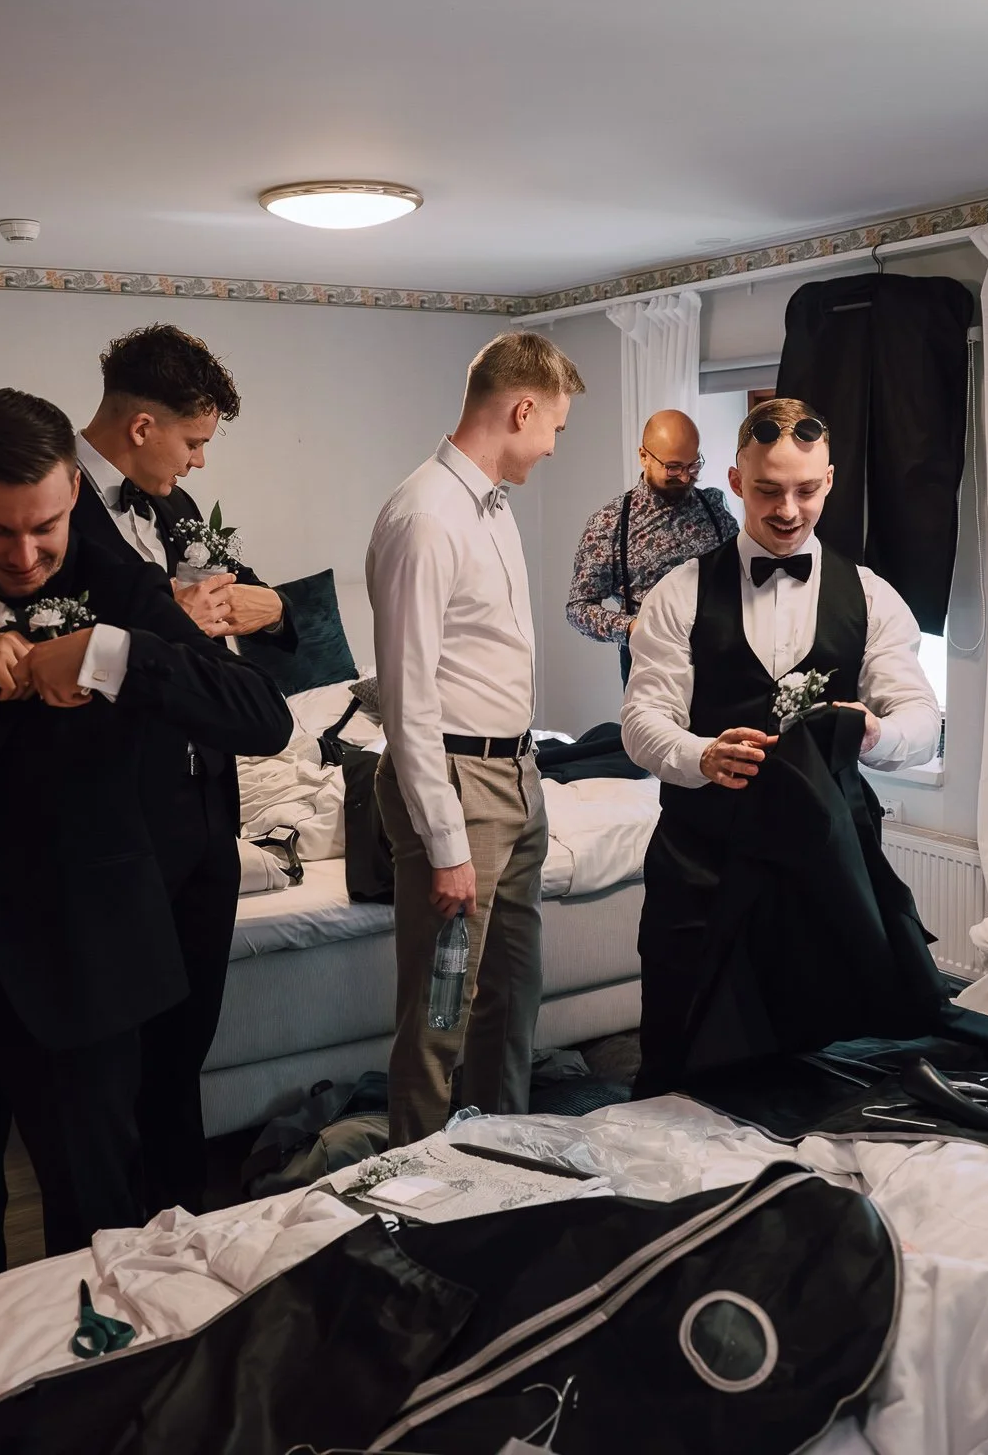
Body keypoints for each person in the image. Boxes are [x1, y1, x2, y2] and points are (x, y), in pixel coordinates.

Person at [0, 389, 290, 1319]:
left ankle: (96, 1392)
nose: (24, 556)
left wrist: (111, 656)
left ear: (70, 493)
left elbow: (262, 718)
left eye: (46, 527)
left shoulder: (123, 593)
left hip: (82, 967)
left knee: (98, 1228)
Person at [620, 397, 943, 1095]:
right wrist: (701, 755)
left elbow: (923, 721)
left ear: (829, 482)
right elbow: (642, 722)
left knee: (818, 1072)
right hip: (701, 860)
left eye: (805, 490)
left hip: (823, 861)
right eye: (768, 490)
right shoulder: (678, 594)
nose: (788, 510)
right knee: (677, 1053)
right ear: (736, 482)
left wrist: (878, 731)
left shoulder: (872, 596)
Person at [69, 323, 296, 1212]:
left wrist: (273, 607)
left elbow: (256, 599)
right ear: (142, 427)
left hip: (208, 814)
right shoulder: (53, 506)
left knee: (186, 1041)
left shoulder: (176, 507)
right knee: (120, 1058)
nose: (200, 462)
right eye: (194, 441)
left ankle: (182, 1224)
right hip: (120, 814)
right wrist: (168, 613)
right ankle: (119, 1235)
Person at [366, 331, 585, 1146]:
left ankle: (499, 1155)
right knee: (440, 1008)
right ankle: (415, 1176)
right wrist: (447, 843)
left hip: (518, 772)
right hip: (456, 782)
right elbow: (406, 697)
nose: (554, 445)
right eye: (555, 426)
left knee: (513, 993)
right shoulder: (427, 516)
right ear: (523, 409)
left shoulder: (492, 505)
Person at [568, 409, 735, 681]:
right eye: (673, 468)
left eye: (693, 466)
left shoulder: (714, 506)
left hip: (720, 657)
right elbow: (578, 608)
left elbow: (739, 573)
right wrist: (633, 628)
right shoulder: (609, 522)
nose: (685, 477)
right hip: (650, 667)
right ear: (644, 456)